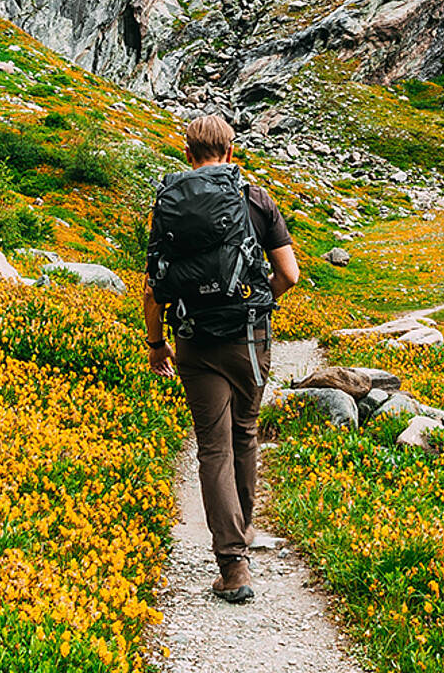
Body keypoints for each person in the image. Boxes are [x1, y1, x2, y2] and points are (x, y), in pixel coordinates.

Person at [143, 115, 299, 604]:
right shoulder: (256, 200)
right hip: (249, 340)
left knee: (212, 446)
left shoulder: (169, 203)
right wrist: (259, 304)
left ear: (188, 154)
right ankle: (243, 530)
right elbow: (289, 274)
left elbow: (153, 288)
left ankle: (233, 568)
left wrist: (156, 345)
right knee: (245, 433)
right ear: (231, 152)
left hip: (193, 339)